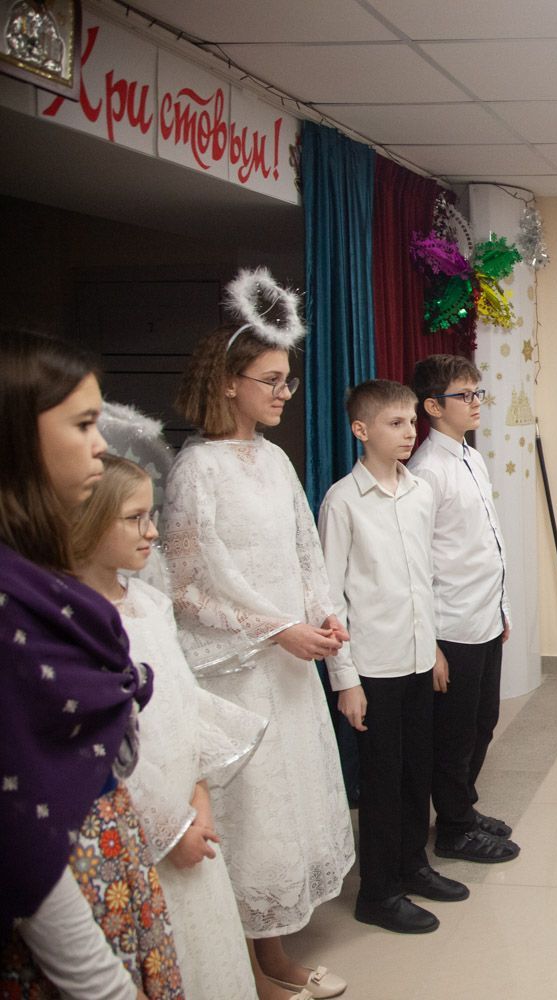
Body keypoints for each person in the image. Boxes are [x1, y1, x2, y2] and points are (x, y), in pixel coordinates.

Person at [161, 270, 354, 1000]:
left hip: (289, 665)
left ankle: (271, 954)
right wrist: (277, 629)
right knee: (253, 817)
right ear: (228, 382)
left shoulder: (275, 459)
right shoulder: (196, 469)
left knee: (287, 812)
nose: (284, 393)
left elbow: (305, 553)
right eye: (271, 380)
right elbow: (185, 588)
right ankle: (253, 968)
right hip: (237, 671)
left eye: (288, 382)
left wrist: (325, 615)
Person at [0, 329, 177, 1000]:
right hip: (62, 907)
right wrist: (102, 985)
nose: (101, 444)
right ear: (16, 434)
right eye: (82, 425)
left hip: (105, 859)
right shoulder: (12, 604)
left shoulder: (40, 579)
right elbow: (18, 831)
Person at [71, 454, 272, 1000]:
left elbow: (183, 707)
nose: (153, 531)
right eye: (134, 519)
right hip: (138, 834)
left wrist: (199, 796)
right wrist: (169, 827)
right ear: (88, 522)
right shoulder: (75, 624)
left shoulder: (152, 604)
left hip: (189, 812)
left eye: (152, 515)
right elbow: (104, 751)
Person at [320, 379, 467, 935]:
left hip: (416, 659)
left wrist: (433, 647)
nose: (409, 433)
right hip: (373, 667)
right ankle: (377, 892)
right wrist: (346, 681)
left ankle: (412, 866)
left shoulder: (420, 492)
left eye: (411, 422)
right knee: (381, 782)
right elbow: (329, 599)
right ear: (362, 430)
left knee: (415, 772)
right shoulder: (342, 502)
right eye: (395, 423)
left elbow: (421, 580)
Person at [407, 354, 520, 864]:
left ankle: (463, 809)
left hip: (484, 615)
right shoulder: (426, 471)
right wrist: (430, 642)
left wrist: (502, 607)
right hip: (451, 625)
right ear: (433, 406)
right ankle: (453, 829)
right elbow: (417, 562)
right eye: (464, 395)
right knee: (454, 735)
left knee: (483, 721)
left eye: (478, 393)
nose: (476, 403)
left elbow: (486, 540)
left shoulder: (471, 456)